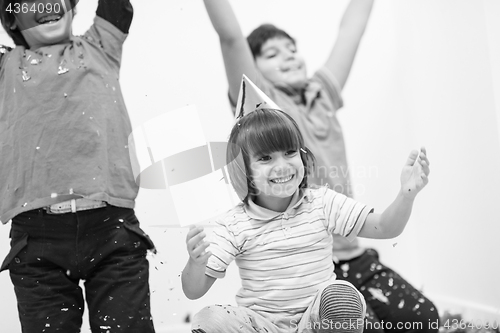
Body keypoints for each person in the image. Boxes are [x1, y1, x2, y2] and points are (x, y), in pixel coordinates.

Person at [202, 0, 439, 331]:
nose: (288, 56)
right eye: (272, 54)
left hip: (352, 255)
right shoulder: (263, 105)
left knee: (422, 318)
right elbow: (230, 38)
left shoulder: (322, 93)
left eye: (292, 49)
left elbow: (350, 31)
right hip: (303, 267)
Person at [182, 100, 430, 333]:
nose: (282, 165)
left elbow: (385, 228)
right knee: (209, 318)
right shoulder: (235, 224)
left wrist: (406, 195)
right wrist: (196, 263)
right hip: (262, 326)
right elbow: (194, 291)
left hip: (315, 323)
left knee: (341, 295)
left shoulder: (321, 202)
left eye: (290, 152)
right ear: (243, 169)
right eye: (265, 158)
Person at [0, 0, 156, 332]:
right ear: (11, 16)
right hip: (37, 242)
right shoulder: (4, 68)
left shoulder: (101, 44)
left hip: (112, 231)